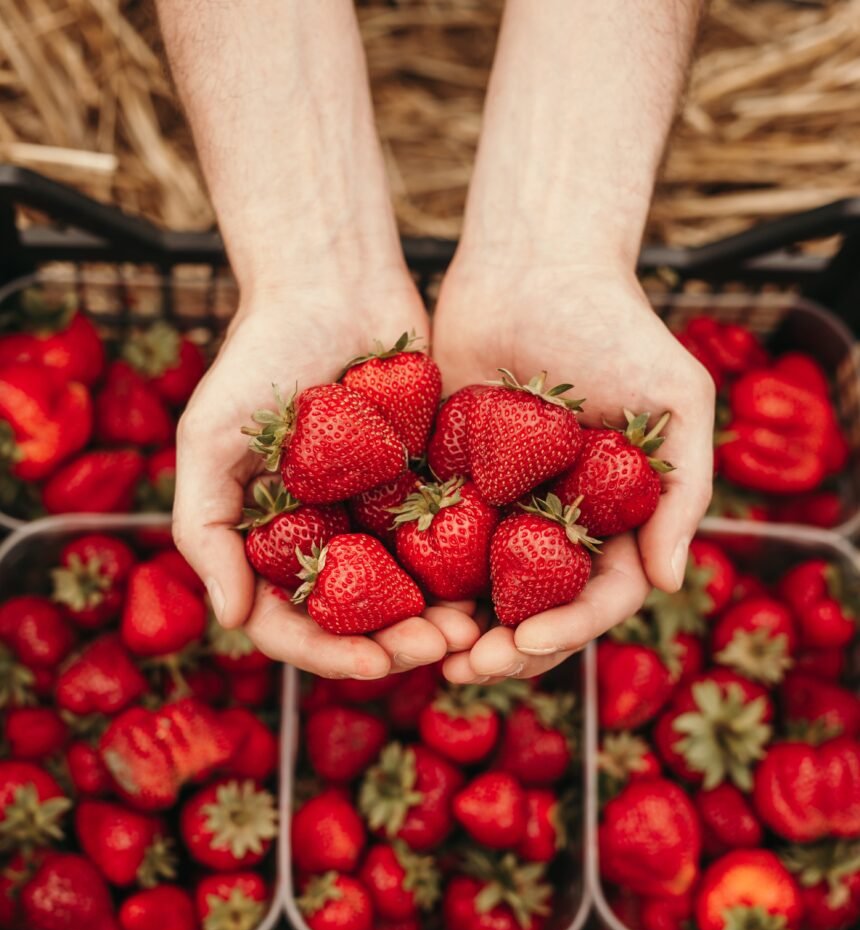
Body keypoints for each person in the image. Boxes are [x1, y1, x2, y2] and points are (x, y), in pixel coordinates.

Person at [157, 0, 715, 684]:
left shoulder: (412, 462)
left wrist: (562, 258)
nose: (398, 461)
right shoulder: (405, 462)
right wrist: (305, 276)